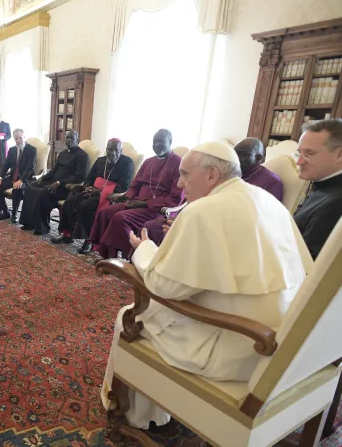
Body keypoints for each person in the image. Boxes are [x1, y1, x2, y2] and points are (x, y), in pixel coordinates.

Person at [101, 141, 312, 430]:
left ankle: (136, 417)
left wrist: (144, 249)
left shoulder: (203, 210)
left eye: (186, 174)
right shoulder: (268, 201)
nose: (179, 182)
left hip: (237, 346)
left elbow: (164, 287)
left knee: (130, 316)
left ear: (212, 175)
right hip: (282, 345)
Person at [142, 137, 284, 246]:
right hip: (206, 224)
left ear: (258, 158)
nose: (236, 159)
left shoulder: (271, 182)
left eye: (241, 155)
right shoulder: (230, 172)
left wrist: (193, 228)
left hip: (230, 236)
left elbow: (256, 221)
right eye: (234, 154)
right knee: (152, 227)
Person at [89, 129, 182, 259]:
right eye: (154, 142)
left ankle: (131, 256)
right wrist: (129, 196)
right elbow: (135, 184)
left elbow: (175, 198)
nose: (156, 145)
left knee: (120, 218)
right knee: (104, 212)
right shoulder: (149, 161)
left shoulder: (178, 163)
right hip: (137, 202)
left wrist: (144, 204)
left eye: (161, 142)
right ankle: (108, 252)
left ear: (170, 142)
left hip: (155, 208)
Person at [52, 138, 134, 254]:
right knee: (70, 200)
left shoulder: (127, 163)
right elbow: (89, 178)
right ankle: (67, 234)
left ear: (121, 150)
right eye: (109, 149)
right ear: (106, 149)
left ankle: (89, 240)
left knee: (86, 205)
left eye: (116, 150)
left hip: (109, 195)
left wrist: (100, 191)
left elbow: (123, 187)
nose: (112, 153)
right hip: (93, 191)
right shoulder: (100, 160)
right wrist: (87, 188)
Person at [19, 130, 88, 235]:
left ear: (77, 140)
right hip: (53, 182)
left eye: (71, 138)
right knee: (30, 188)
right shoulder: (63, 153)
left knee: (43, 193)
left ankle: (42, 227)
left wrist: (60, 182)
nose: (69, 140)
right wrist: (43, 178)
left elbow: (79, 177)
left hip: (66, 187)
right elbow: (54, 170)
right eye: (67, 138)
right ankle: (29, 223)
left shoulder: (82, 155)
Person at [294, 118, 342, 260]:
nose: (299, 162)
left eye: (309, 154)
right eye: (299, 153)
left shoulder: (336, 203)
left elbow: (306, 264)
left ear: (340, 155)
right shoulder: (324, 185)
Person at [0, 128, 36, 223]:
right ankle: (4, 211)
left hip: (26, 179)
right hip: (13, 177)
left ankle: (14, 214)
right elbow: (5, 165)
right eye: (16, 139)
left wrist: (21, 180)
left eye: (20, 138)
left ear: (24, 137)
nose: (18, 140)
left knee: (17, 188)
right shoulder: (12, 150)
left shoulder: (31, 150)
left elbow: (30, 167)